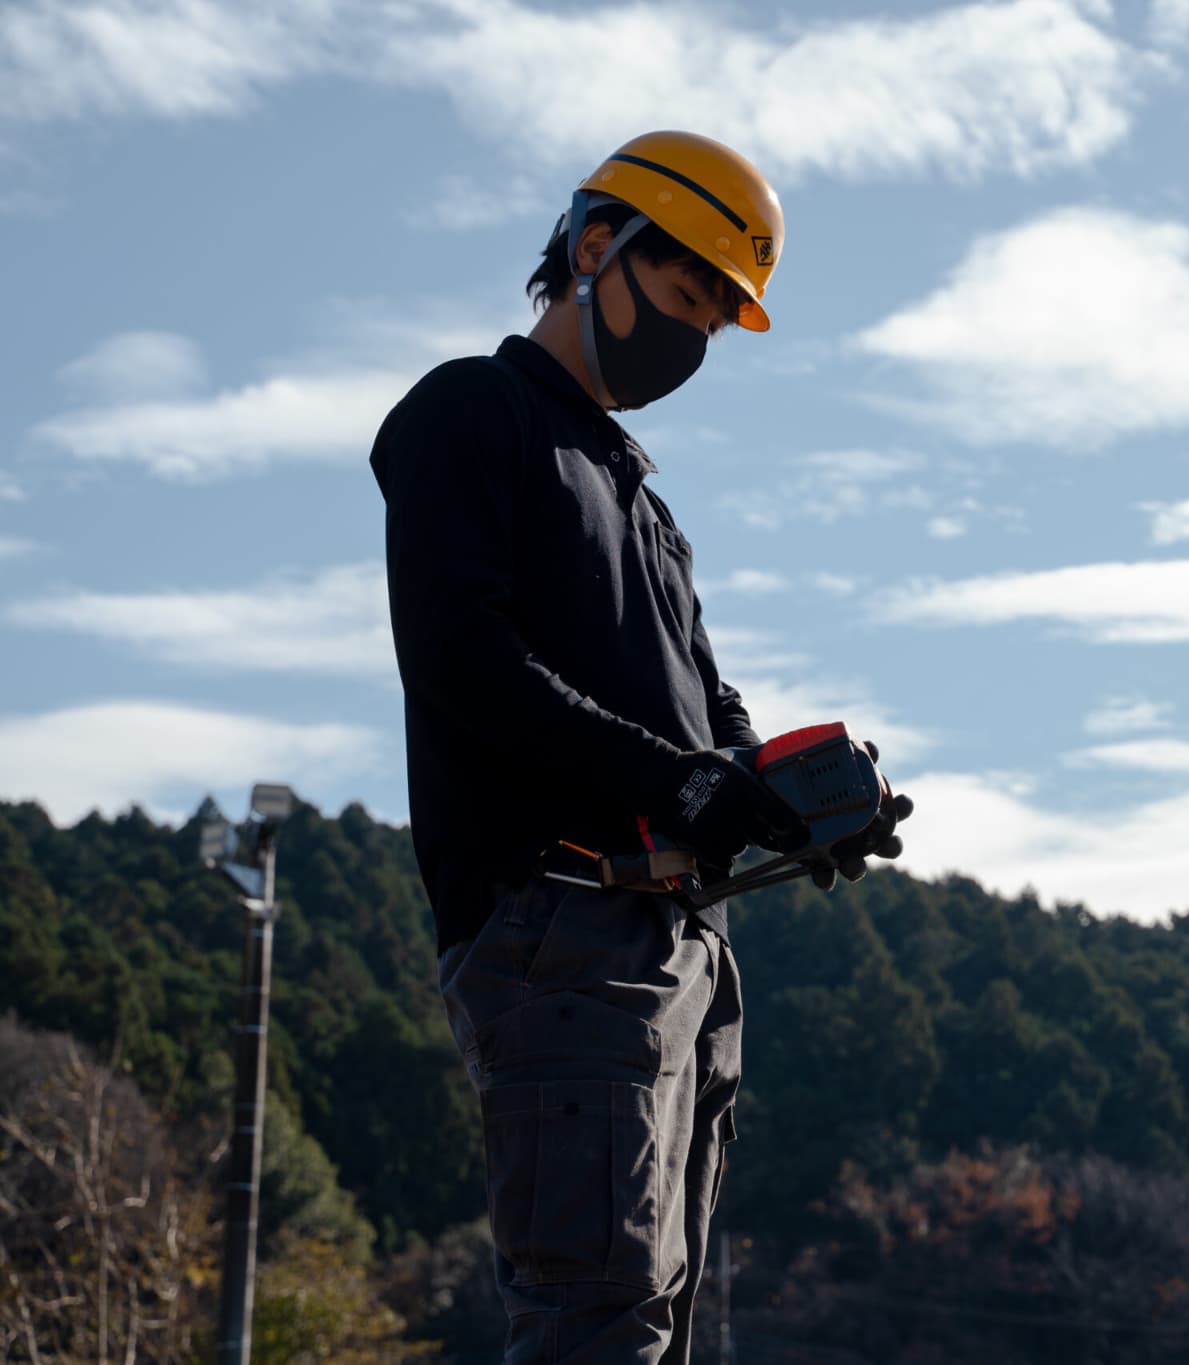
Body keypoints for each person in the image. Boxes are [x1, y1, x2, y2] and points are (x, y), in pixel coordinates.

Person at [370, 130, 906, 1362]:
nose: (688, 342)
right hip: (558, 925)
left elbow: (708, 713)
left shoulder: (641, 499)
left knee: (647, 1325)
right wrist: (681, 784)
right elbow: (464, 663)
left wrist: (784, 802)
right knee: (592, 1321)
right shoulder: (470, 412)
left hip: (678, 952)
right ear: (593, 245)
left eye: (712, 327)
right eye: (678, 298)